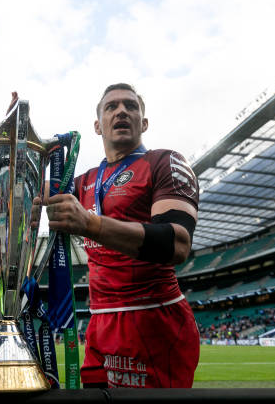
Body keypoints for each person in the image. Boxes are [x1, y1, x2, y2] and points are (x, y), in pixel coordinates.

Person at [28, 83, 200, 388]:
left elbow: (177, 242)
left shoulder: (164, 162)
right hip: (99, 324)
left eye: (130, 106)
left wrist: (90, 224)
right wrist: (14, 140)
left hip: (154, 319)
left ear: (143, 123)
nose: (121, 111)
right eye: (112, 107)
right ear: (98, 126)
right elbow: (26, 188)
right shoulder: (83, 181)